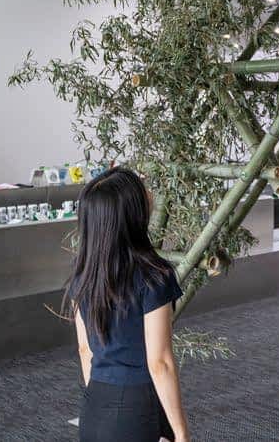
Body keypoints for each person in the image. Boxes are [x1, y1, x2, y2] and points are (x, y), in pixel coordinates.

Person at [66, 167, 190, 442]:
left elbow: (85, 350)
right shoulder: (153, 276)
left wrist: (104, 402)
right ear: (132, 213)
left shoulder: (83, 275)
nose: (150, 195)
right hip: (138, 409)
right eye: (144, 192)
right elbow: (160, 363)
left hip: (95, 406)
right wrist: (181, 433)